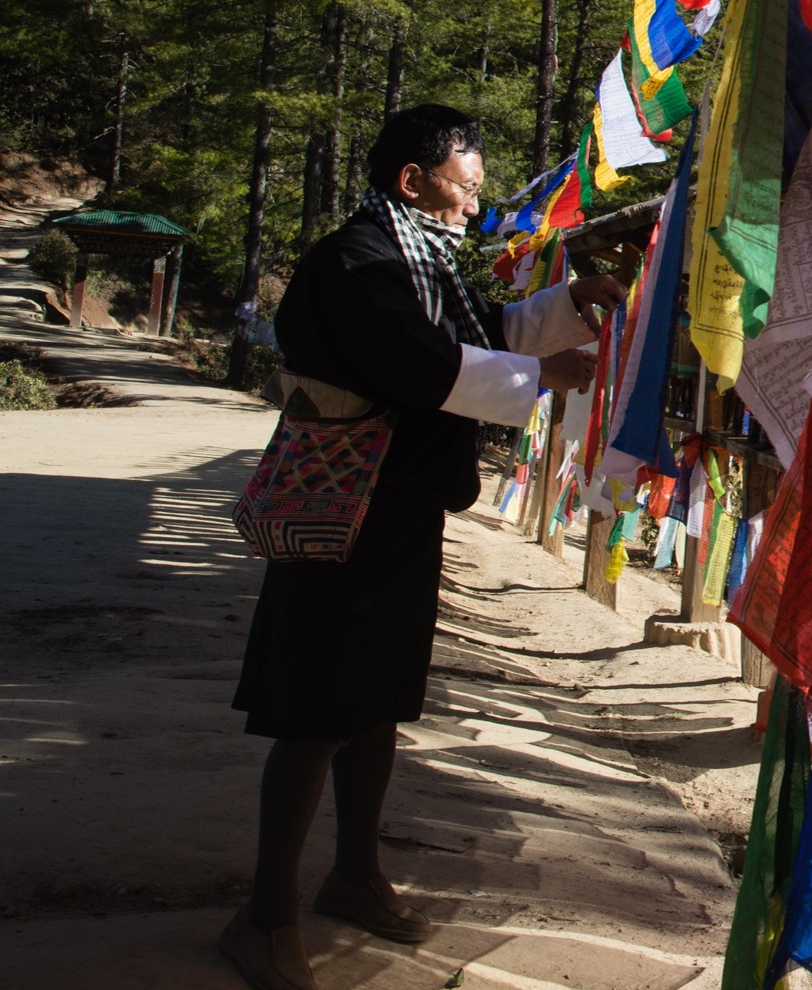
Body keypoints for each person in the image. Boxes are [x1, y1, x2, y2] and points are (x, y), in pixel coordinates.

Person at [221, 106, 625, 990]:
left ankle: (355, 872)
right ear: (413, 181)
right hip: (341, 513)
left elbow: (473, 335)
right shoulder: (359, 263)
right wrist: (542, 375)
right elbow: (423, 366)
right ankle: (266, 915)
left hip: (398, 513)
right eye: (464, 187)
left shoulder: (419, 260)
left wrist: (566, 306)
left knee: (378, 699)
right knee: (318, 707)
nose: (475, 205)